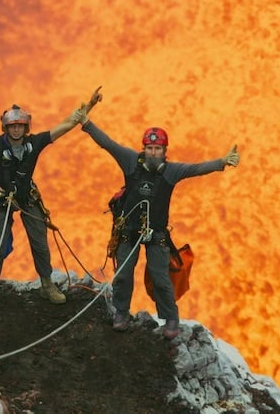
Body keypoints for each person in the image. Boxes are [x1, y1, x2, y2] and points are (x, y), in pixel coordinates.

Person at [75, 92, 239, 340]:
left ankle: (170, 318)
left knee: (161, 278)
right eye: (149, 148)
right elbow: (108, 144)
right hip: (128, 231)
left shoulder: (172, 171)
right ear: (144, 148)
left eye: (157, 149)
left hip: (157, 234)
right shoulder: (130, 161)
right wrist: (86, 124)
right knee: (123, 275)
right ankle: (121, 312)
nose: (153, 153)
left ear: (164, 151)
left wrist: (222, 162)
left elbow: (196, 168)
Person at [0, 80, 98, 309]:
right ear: (6, 128)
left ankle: (46, 284)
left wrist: (89, 106)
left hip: (27, 198)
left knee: (40, 241)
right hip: (3, 200)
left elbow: (65, 125)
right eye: (12, 126)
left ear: (26, 128)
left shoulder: (35, 143)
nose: (16, 130)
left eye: (20, 126)